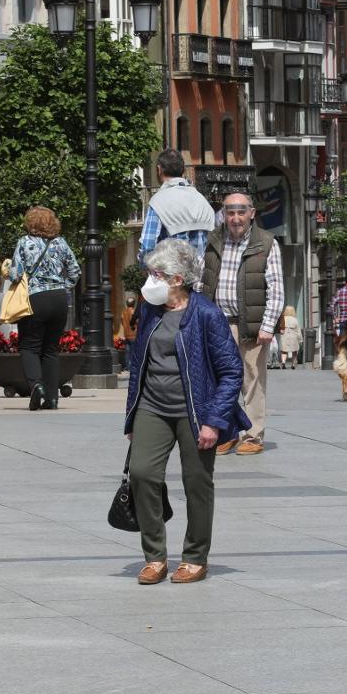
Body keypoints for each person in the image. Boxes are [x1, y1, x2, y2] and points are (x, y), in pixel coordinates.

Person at [125, 239, 248, 585]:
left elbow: (231, 371)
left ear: (177, 279)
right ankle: (155, 556)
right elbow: (138, 365)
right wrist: (132, 415)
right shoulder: (150, 310)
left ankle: (195, 556)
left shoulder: (206, 314)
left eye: (156, 274)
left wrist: (214, 420)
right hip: (152, 405)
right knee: (142, 473)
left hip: (195, 411)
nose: (150, 280)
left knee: (196, 482)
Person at [200, 192, 283, 455]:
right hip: (217, 323)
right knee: (219, 380)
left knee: (252, 380)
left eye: (240, 212)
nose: (235, 218)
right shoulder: (213, 240)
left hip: (251, 324)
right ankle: (225, 432)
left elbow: (277, 289)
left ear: (252, 213)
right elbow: (202, 279)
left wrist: (268, 325)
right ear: (223, 214)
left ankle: (253, 435)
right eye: (230, 212)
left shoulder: (267, 244)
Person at [9, 206, 81, 411]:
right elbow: (75, 270)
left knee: (29, 346)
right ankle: (52, 398)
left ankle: (36, 386)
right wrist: (63, 286)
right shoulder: (60, 243)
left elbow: (15, 274)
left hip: (35, 298)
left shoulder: (24, 242)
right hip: (59, 299)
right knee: (50, 349)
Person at [137, 149, 216, 265]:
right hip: (199, 278)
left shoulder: (159, 201)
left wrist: (145, 267)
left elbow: (147, 247)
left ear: (159, 169)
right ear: (183, 171)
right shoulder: (203, 201)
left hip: (170, 278)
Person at [278, 305, 300, 369]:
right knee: (294, 351)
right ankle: (293, 364)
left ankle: (283, 362)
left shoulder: (283, 319)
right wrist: (300, 339)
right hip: (293, 337)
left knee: (284, 351)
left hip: (284, 336)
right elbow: (298, 330)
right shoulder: (295, 320)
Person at [119, 296, 139, 369]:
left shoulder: (123, 312)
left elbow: (122, 321)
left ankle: (128, 366)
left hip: (126, 334)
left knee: (127, 351)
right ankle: (132, 366)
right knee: (133, 351)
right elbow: (137, 322)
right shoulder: (133, 311)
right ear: (133, 304)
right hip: (134, 334)